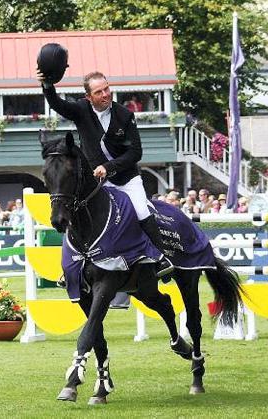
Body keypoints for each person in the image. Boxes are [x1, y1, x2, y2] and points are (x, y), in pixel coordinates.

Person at [38, 53, 176, 277]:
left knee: (141, 209)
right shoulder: (81, 110)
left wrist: (110, 167)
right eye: (99, 92)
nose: (105, 95)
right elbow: (57, 104)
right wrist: (46, 84)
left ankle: (161, 258)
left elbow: (135, 152)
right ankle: (73, 266)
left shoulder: (125, 115)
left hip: (126, 178)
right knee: (78, 212)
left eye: (107, 89)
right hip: (96, 181)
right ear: (88, 97)